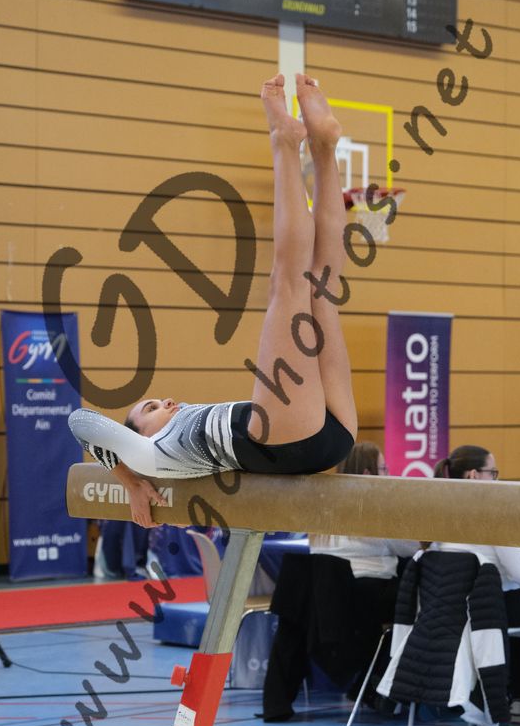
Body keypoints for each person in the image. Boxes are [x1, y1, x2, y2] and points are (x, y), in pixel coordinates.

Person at [70, 74, 359, 526]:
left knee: (320, 282)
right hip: (288, 439)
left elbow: (82, 422)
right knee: (289, 283)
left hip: (326, 437)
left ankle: (323, 147)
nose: (164, 401)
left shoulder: (164, 445)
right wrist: (129, 480)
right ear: (138, 437)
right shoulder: (150, 454)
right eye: (150, 409)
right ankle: (285, 143)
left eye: (153, 399)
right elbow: (82, 423)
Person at [261, 442, 420, 722]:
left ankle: (276, 702)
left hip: (323, 596)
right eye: (384, 468)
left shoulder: (323, 504)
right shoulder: (375, 508)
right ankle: (371, 688)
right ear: (369, 473)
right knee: (418, 603)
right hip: (362, 594)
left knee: (294, 618)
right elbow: (410, 547)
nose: (388, 474)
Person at [429, 444, 520, 725]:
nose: (496, 479)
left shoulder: (436, 510)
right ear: (473, 475)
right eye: (493, 472)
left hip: (446, 610)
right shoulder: (493, 514)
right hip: (486, 611)